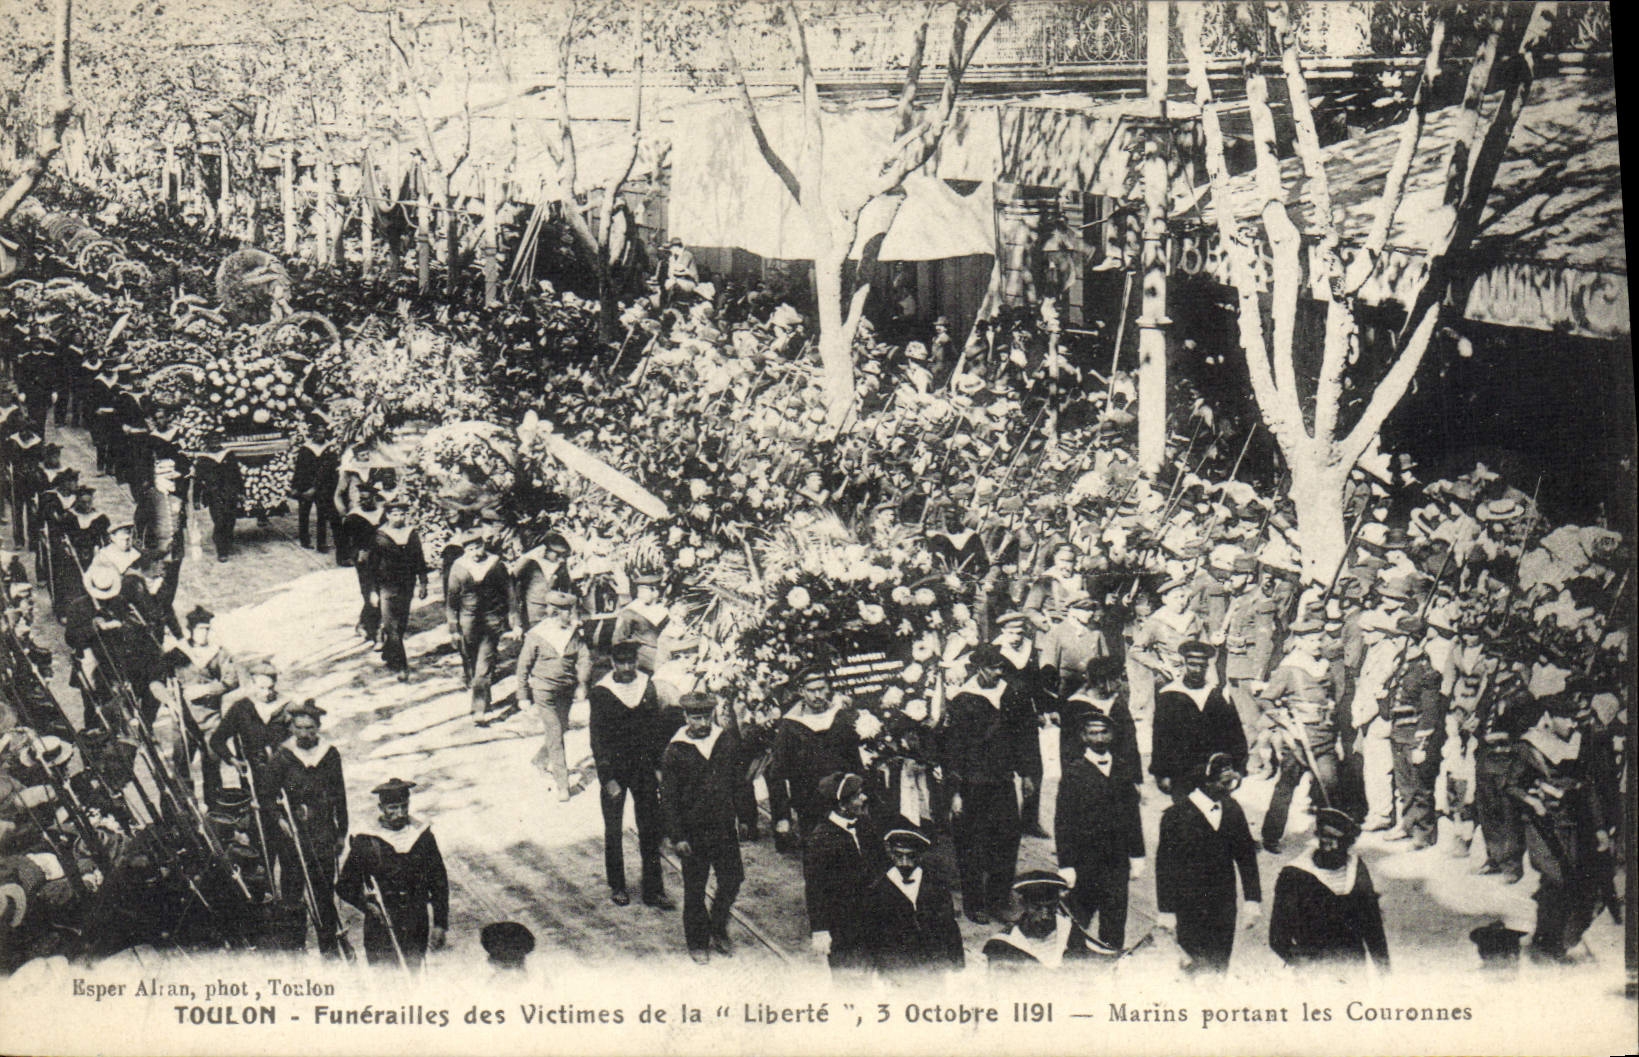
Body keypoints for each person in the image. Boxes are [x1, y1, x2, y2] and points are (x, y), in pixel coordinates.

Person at [1505, 693, 1612, 963]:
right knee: (1555, 879)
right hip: (1541, 824)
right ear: (1548, 719)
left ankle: (1556, 940)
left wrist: (1599, 828)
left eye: (1575, 719)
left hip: (1573, 822)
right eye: (1565, 719)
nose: (1572, 725)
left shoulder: (1578, 743)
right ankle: (1551, 943)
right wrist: (1532, 801)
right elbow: (1511, 786)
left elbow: (1588, 789)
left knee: (1572, 883)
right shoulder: (1529, 746)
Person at [942, 644, 1032, 924]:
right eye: (993, 668)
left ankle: (999, 900)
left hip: (1003, 781)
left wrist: (1028, 773)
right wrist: (955, 792)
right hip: (972, 785)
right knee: (972, 845)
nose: (998, 673)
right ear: (980, 668)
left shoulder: (1013, 695)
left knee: (1006, 841)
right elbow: (953, 750)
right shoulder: (962, 701)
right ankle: (974, 903)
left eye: (1001, 668)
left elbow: (1025, 737)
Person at [1155, 754, 1262, 974]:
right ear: (1205, 783)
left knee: (1220, 963)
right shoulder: (1175, 816)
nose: (1230, 789)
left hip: (1224, 903)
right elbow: (1165, 867)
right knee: (1193, 966)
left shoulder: (1233, 809)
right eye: (1224, 783)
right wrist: (1166, 910)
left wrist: (1253, 900)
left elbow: (1246, 857)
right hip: (1188, 906)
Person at [659, 692, 743, 964]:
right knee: (694, 890)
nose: (702, 722)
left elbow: (739, 782)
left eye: (706, 716)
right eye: (696, 717)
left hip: (723, 828)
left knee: (732, 879)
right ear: (686, 718)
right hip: (693, 833)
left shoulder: (725, 741)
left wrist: (745, 817)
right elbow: (668, 798)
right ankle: (697, 942)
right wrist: (677, 836)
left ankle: (717, 926)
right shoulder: (675, 750)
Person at [588, 640, 672, 908]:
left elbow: (656, 729)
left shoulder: (646, 685)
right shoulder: (602, 692)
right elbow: (597, 739)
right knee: (613, 830)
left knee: (650, 828)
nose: (627, 667)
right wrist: (607, 778)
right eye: (621, 662)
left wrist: (658, 766)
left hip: (643, 768)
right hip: (615, 770)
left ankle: (653, 890)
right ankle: (618, 885)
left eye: (631, 662)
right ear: (613, 663)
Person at [1055, 711, 1145, 950]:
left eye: (1104, 731)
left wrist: (1137, 855)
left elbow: (1132, 816)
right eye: (1093, 732)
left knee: (1115, 921)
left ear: (1112, 734)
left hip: (1117, 861)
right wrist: (1066, 865)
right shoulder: (1074, 772)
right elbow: (1063, 822)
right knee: (1077, 920)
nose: (1099, 738)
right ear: (1083, 736)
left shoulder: (1123, 769)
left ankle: (1110, 964)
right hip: (1086, 861)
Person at [337, 778, 448, 970]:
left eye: (404, 807)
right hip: (380, 929)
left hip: (416, 923)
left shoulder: (422, 837)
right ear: (381, 807)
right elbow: (344, 886)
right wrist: (367, 905)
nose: (400, 814)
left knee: (413, 978)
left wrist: (440, 924)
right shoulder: (366, 841)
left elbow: (439, 882)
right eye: (393, 808)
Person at [265, 699, 347, 956]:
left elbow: (339, 794)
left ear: (318, 727)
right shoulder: (282, 757)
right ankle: (294, 945)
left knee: (323, 888)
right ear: (292, 728)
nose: (304, 734)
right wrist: (279, 819)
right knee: (292, 891)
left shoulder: (329, 754)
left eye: (310, 728)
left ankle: (330, 945)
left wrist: (342, 831)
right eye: (299, 728)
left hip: (323, 830)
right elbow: (266, 796)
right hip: (294, 833)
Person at [1257, 617, 1344, 853]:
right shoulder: (1289, 668)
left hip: (1323, 735)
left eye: (1320, 638)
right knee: (1286, 786)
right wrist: (1284, 720)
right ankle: (1271, 836)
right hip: (1298, 738)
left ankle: (1329, 837)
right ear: (1300, 642)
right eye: (1312, 640)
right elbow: (1265, 699)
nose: (1318, 644)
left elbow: (1333, 695)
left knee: (1329, 786)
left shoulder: (1325, 665)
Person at [1267, 808, 1389, 973]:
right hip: (1314, 968)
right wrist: (1303, 963)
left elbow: (1372, 924)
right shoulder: (1295, 874)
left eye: (1339, 841)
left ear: (1348, 843)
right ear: (1318, 837)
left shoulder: (1356, 868)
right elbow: (1278, 937)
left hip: (1353, 964)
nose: (1331, 847)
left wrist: (1384, 971)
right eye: (1326, 839)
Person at [766, 671, 860, 851]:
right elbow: (777, 775)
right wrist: (782, 816)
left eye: (821, 689)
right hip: (810, 804)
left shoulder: (839, 718)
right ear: (802, 691)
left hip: (844, 801)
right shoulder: (790, 726)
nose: (817, 696)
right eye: (811, 690)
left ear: (828, 689)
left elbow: (855, 759)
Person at [801, 772, 881, 975]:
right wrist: (819, 929)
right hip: (843, 923)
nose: (864, 798)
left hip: (872, 916)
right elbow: (815, 888)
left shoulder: (864, 824)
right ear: (842, 805)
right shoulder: (820, 840)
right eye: (857, 796)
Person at [862, 823, 964, 977]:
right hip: (896, 969)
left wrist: (957, 964)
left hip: (933, 967)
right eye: (898, 855)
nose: (904, 863)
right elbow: (871, 935)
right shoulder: (877, 890)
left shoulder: (936, 886)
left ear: (920, 855)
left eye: (910, 856)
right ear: (890, 853)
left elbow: (949, 926)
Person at [517, 588, 592, 793]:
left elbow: (584, 658)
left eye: (570, 611)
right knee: (555, 731)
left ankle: (540, 759)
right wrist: (523, 695)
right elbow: (523, 666)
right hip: (544, 691)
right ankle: (562, 784)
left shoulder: (573, 634)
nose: (570, 615)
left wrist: (582, 683)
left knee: (562, 727)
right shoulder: (537, 635)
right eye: (566, 612)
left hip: (565, 690)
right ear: (554, 612)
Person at [1150, 640, 1246, 798]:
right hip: (1181, 771)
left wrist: (1238, 767)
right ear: (1184, 664)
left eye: (1202, 666)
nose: (1197, 670)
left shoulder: (1217, 694)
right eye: (1192, 665)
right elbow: (1161, 737)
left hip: (1215, 770)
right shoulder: (1168, 694)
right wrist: (1162, 774)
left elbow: (1234, 733)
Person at [164, 605, 238, 806]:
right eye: (200, 629)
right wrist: (170, 698)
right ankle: (188, 811)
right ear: (191, 629)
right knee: (181, 767)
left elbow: (231, 680)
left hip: (210, 718)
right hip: (183, 720)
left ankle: (215, 811)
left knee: (212, 766)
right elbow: (161, 677)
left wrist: (206, 690)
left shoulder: (218, 653)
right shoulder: (178, 653)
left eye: (207, 629)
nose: (204, 633)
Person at [1384, 615, 1447, 849]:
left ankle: (1424, 833)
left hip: (1414, 735)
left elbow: (1430, 712)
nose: (1395, 642)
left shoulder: (1427, 672)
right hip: (1398, 732)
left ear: (1412, 640)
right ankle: (1408, 824)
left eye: (1398, 638)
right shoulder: (1403, 665)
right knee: (1404, 785)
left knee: (1420, 785)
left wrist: (1422, 745)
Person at [446, 530, 518, 723]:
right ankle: (484, 697)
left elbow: (510, 592)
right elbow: (452, 600)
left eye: (478, 547)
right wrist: (453, 629)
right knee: (472, 661)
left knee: (483, 666)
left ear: (483, 545)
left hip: (491, 620)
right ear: (465, 550)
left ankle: (479, 709)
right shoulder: (458, 568)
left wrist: (514, 618)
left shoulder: (495, 564)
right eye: (470, 549)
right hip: (467, 621)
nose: (475, 552)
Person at [981, 869, 1096, 969]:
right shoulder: (1002, 945)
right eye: (1037, 907)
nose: (1044, 915)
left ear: (1057, 904)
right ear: (1024, 904)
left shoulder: (1069, 932)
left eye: (1050, 907)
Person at [367, 499, 428, 682]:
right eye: (395, 514)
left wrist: (423, 582)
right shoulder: (379, 536)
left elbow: (419, 558)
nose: (399, 517)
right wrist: (372, 591)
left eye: (402, 514)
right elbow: (371, 566)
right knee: (390, 625)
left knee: (400, 625)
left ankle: (388, 651)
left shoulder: (411, 534)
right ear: (387, 515)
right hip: (386, 586)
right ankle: (402, 665)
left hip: (406, 585)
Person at [291, 419, 340, 554]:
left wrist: (316, 488)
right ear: (312, 433)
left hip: (323, 487)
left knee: (322, 515)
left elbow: (329, 471)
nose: (321, 435)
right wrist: (295, 486)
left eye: (323, 432)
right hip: (305, 486)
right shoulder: (305, 449)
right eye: (318, 432)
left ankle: (321, 543)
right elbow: (299, 469)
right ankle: (305, 539)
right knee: (304, 513)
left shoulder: (329, 449)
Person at [512, 532, 575, 630]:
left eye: (563, 555)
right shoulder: (529, 561)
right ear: (546, 550)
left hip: (553, 613)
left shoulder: (561, 565)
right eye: (557, 554)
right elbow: (512, 586)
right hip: (532, 613)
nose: (561, 559)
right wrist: (517, 619)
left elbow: (567, 589)